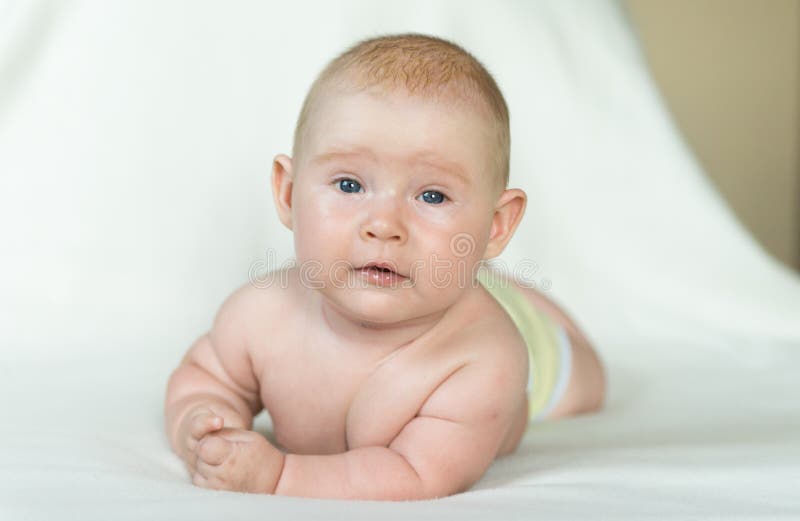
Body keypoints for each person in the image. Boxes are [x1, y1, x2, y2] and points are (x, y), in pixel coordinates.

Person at [164, 32, 606, 500]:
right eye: (350, 185)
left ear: (495, 226)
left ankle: (518, 299)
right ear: (289, 193)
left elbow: (415, 474)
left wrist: (279, 477)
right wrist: (203, 422)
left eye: (432, 196)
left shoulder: (483, 361)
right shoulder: (261, 313)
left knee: (588, 386)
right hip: (436, 276)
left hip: (528, 349)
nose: (384, 225)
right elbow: (205, 377)